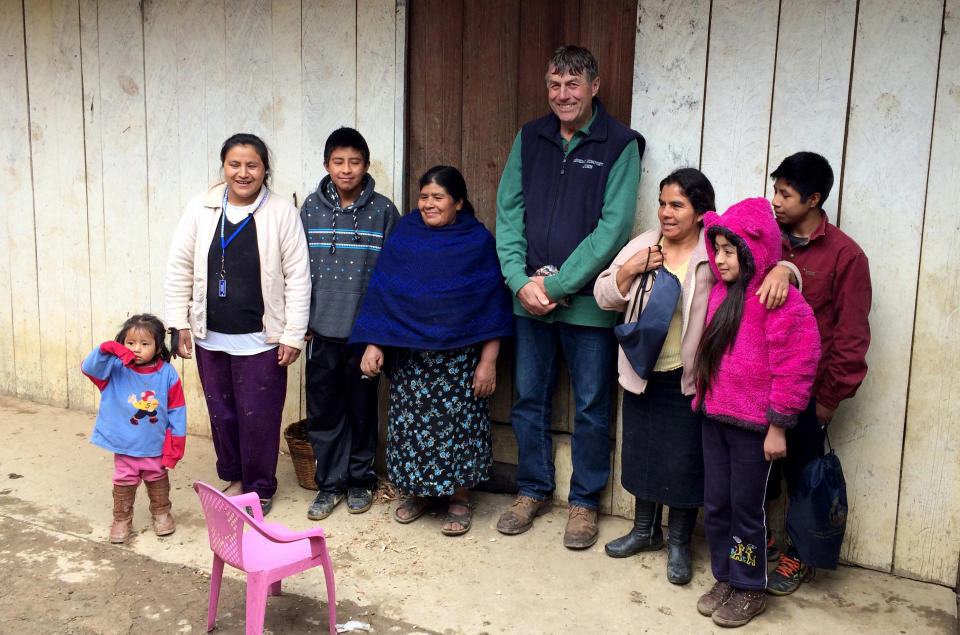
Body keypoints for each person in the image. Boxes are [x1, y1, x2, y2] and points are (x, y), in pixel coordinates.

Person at [595, 169, 796, 584]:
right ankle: (643, 531)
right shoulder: (646, 244)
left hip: (690, 379)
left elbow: (763, 262)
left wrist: (786, 271)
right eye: (662, 204)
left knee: (686, 464)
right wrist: (629, 269)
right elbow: (603, 295)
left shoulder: (714, 249)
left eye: (677, 205)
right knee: (642, 454)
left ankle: (680, 543)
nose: (666, 213)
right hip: (643, 371)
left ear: (701, 212)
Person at [495, 44, 644, 549]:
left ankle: (584, 503)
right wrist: (520, 282)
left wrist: (557, 286)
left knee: (591, 405)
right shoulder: (530, 137)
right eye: (555, 84)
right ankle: (532, 490)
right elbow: (509, 213)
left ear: (594, 87)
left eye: (573, 85)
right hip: (528, 298)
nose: (563, 94)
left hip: (585, 306)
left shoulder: (620, 143)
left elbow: (612, 229)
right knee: (529, 398)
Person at [351, 166, 513, 536]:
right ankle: (420, 493)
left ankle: (459, 498)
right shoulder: (405, 235)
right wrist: (374, 343)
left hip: (459, 360)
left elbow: (492, 306)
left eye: (437, 197)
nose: (428, 204)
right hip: (411, 359)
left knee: (458, 428)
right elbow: (384, 292)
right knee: (411, 427)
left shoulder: (477, 240)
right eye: (424, 196)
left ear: (458, 201)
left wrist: (488, 363)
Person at [164, 133, 310, 516]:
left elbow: (298, 277)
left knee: (259, 417)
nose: (242, 173)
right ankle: (235, 477)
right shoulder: (202, 207)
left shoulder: (281, 212)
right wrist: (179, 322)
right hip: (211, 335)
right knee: (222, 413)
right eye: (235, 165)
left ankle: (260, 487)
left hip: (262, 339)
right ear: (224, 167)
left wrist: (293, 333)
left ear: (265, 169)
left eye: (252, 165)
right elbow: (179, 266)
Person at [693, 198, 821, 628]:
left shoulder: (777, 297)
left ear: (756, 249)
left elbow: (797, 366)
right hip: (716, 420)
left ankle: (749, 587)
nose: (723, 259)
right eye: (720, 249)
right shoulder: (718, 294)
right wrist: (703, 401)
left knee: (747, 509)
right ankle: (726, 576)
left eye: (733, 250)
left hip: (755, 429)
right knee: (717, 504)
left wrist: (778, 426)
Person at [764, 152, 872, 594]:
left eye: (785, 194)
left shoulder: (846, 256)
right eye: (775, 189)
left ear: (813, 199)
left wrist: (828, 398)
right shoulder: (769, 239)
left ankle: (800, 556)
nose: (775, 201)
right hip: (760, 384)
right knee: (760, 471)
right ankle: (762, 539)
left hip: (809, 391)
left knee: (804, 475)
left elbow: (851, 338)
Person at [300, 127, 399, 521]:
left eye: (354, 162)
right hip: (320, 333)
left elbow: (391, 278)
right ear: (326, 165)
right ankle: (330, 483)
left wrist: (378, 338)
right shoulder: (309, 208)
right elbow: (294, 268)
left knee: (361, 411)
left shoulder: (384, 211)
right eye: (338, 162)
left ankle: (361, 479)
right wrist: (298, 322)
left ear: (366, 165)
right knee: (324, 411)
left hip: (363, 335)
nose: (346, 169)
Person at [81, 314, 186, 543]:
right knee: (124, 481)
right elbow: (88, 368)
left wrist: (176, 442)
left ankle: (161, 513)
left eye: (145, 343)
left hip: (155, 445)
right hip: (124, 444)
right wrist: (105, 349)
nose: (137, 349)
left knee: (157, 478)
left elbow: (178, 409)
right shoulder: (114, 369)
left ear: (159, 347)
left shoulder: (167, 373)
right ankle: (121, 518)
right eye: (130, 343)